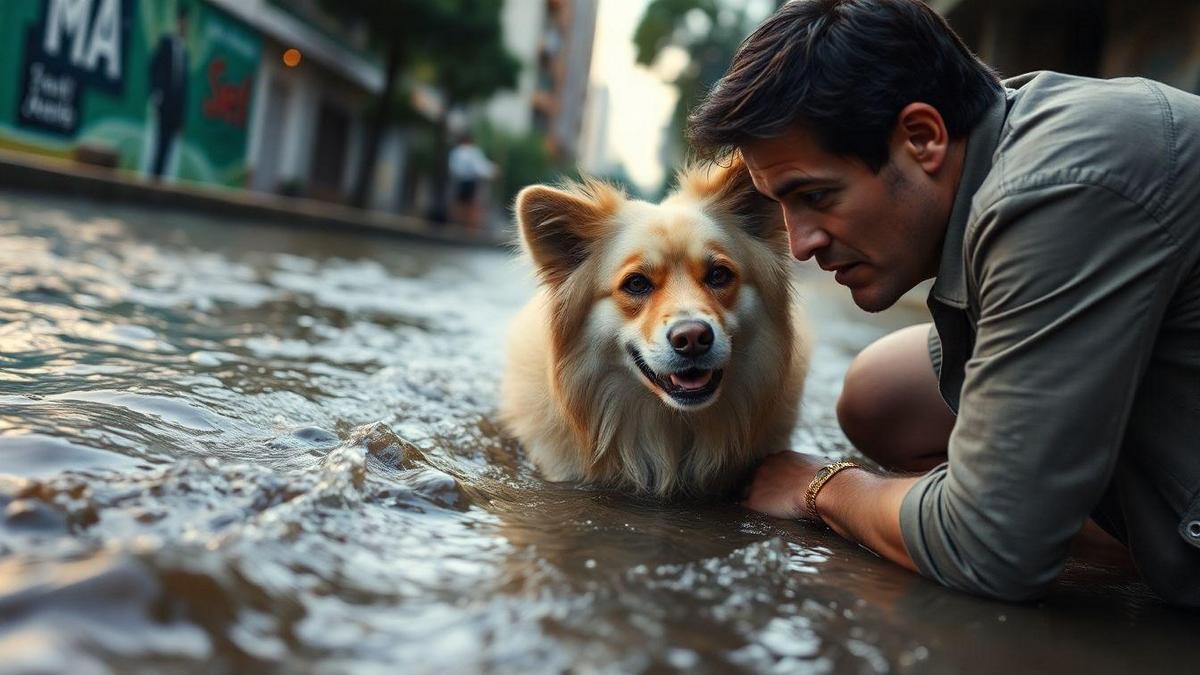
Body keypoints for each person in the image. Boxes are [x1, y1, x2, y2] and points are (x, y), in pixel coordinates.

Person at [687, 0, 1200, 607]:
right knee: (882, 393)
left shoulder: (1058, 188)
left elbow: (991, 549)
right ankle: (1104, 533)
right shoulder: (1005, 134)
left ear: (923, 137)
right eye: (783, 207)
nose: (802, 245)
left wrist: (821, 488)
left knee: (990, 531)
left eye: (817, 195)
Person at [148, 5, 190, 180]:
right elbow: (153, 69)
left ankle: (159, 187)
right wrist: (156, 97)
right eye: (182, 23)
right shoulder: (166, 43)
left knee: (168, 151)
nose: (184, 27)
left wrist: (182, 117)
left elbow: (183, 88)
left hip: (175, 111)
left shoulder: (185, 53)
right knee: (158, 146)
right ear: (177, 22)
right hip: (163, 105)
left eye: (187, 25)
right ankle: (151, 183)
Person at [448, 133, 497, 231]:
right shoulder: (473, 152)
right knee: (472, 205)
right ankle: (469, 228)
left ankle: (456, 226)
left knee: (458, 203)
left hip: (459, 180)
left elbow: (452, 168)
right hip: (471, 181)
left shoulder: (456, 152)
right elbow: (480, 168)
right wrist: (493, 172)